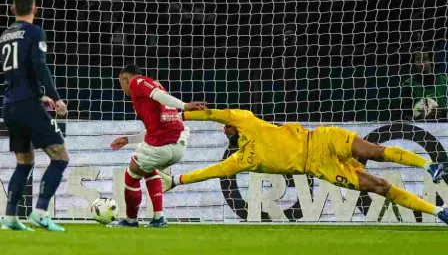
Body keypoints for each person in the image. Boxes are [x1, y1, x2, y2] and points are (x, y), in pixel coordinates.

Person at [161, 108, 448, 224]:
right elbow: (209, 172)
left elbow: (213, 114)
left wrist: (181, 113)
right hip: (318, 167)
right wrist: (177, 181)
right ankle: (440, 211)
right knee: (379, 187)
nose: (225, 130)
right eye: (225, 131)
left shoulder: (246, 120)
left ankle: (428, 165)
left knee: (374, 151)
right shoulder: (240, 161)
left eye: (227, 128)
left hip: (322, 139)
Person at [0, 0, 69, 232]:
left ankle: (9, 217)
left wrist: (41, 95)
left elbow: (16, 74)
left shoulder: (5, 35)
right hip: (28, 104)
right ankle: (40, 212)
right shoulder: (34, 31)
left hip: (10, 104)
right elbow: (39, 65)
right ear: (35, 9)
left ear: (12, 9)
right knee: (60, 157)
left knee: (24, 162)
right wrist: (57, 98)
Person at [107, 64, 205, 228]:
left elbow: (158, 95)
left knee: (131, 173)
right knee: (147, 167)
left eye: (121, 84)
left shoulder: (137, 82)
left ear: (125, 78)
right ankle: (158, 218)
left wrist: (184, 105)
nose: (123, 88)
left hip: (163, 144)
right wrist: (128, 139)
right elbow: (157, 126)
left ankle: (131, 221)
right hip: (178, 144)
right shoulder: (153, 87)